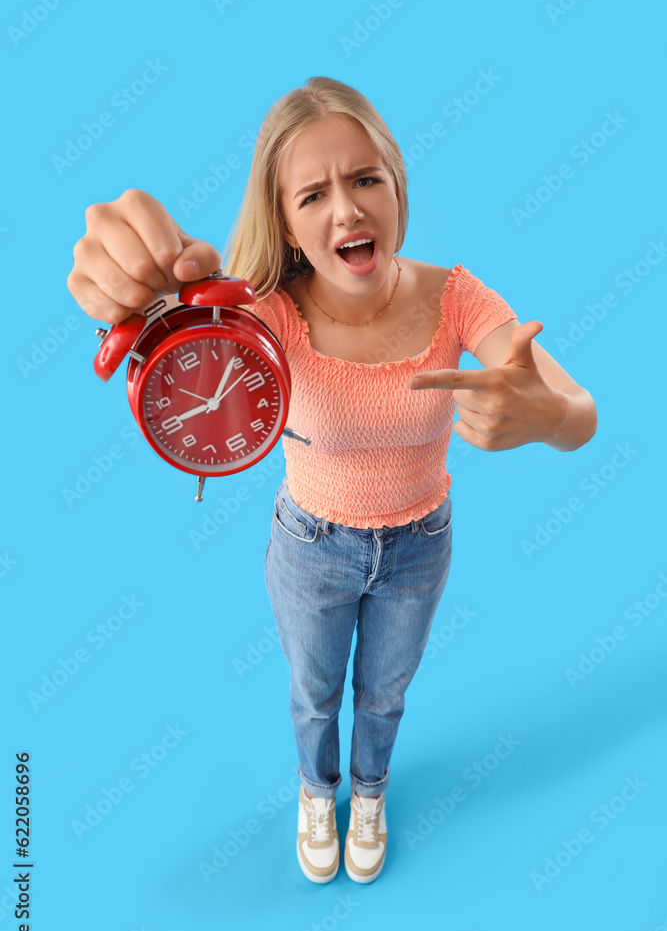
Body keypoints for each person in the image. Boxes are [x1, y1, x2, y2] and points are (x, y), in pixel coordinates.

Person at [67, 76, 597, 887]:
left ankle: (371, 792)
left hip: (419, 545)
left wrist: (547, 417)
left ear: (395, 188)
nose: (344, 209)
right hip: (310, 547)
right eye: (312, 194)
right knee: (314, 695)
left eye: (364, 180)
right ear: (285, 223)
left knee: (384, 694)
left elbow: (576, 407)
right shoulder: (270, 315)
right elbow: (190, 341)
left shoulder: (457, 297)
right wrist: (142, 297)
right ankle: (320, 793)